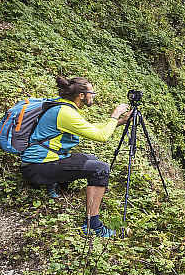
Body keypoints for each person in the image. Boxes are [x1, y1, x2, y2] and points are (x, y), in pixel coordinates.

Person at [20, 76, 131, 238]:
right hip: (36, 168)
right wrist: (114, 115)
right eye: (91, 92)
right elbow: (101, 136)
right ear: (81, 95)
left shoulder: (65, 107)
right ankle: (92, 225)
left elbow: (91, 128)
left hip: (41, 162)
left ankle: (51, 183)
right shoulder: (66, 113)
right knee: (101, 168)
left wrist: (119, 121)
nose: (93, 95)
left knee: (91, 159)